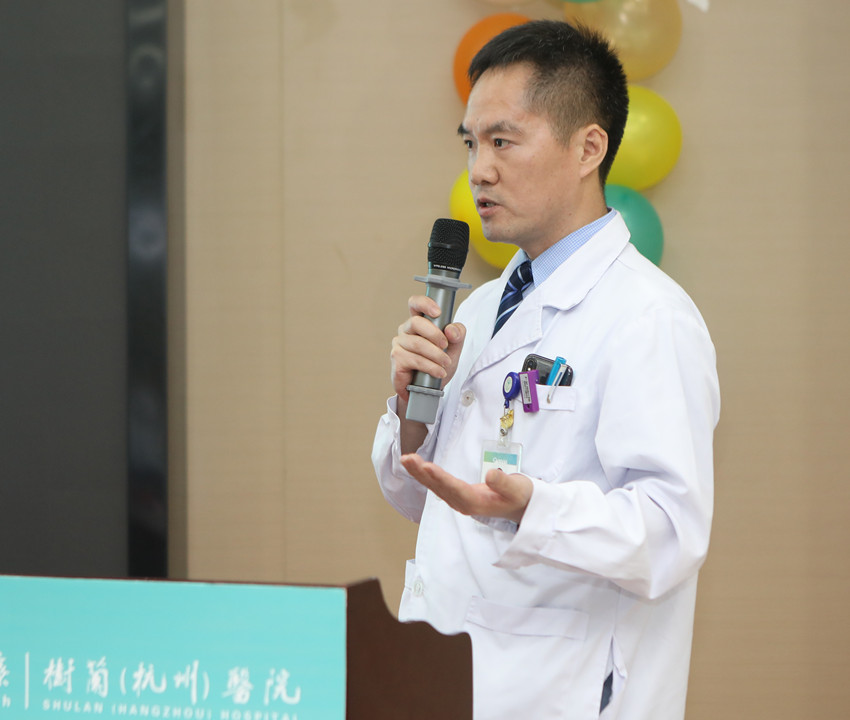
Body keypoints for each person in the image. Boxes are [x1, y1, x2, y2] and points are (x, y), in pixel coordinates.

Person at [372, 19, 719, 720]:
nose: (479, 170)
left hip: (564, 690)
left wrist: (533, 507)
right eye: (471, 144)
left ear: (589, 147)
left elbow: (670, 534)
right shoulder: (479, 307)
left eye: (502, 141)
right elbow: (422, 501)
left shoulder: (649, 317)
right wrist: (412, 413)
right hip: (447, 672)